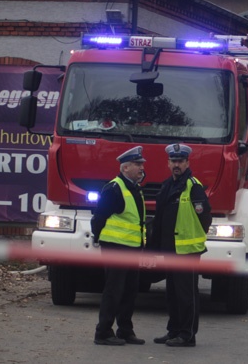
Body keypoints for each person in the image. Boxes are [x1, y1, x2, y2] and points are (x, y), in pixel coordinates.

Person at [149, 143, 212, 347]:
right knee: (172, 294)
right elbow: (160, 219)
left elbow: (205, 218)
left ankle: (187, 335)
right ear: (168, 163)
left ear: (187, 162)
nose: (176, 165)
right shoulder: (168, 185)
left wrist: (193, 239)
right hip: (170, 249)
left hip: (187, 251)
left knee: (187, 295)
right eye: (173, 161)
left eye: (180, 161)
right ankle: (174, 330)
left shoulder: (193, 186)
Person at [92, 146, 147, 345]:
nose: (142, 168)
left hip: (131, 248)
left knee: (130, 290)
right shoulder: (114, 188)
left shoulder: (134, 188)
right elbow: (98, 217)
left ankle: (125, 330)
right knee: (114, 290)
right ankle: (103, 332)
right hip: (115, 247)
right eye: (138, 164)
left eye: (142, 165)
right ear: (125, 168)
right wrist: (98, 237)